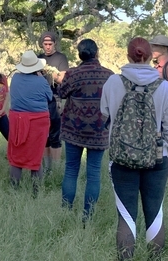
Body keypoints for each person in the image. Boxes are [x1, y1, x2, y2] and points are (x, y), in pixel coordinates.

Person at [100, 37, 168, 260]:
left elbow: (106, 112)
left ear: (128, 56)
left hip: (121, 159)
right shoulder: (163, 87)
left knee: (126, 215)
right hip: (157, 158)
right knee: (155, 213)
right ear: (149, 57)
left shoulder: (112, 83)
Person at [58, 39, 114, 219]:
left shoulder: (73, 74)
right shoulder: (109, 75)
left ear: (79, 54)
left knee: (71, 170)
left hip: (74, 129)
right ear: (97, 53)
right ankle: (87, 216)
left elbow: (61, 93)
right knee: (94, 173)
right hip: (99, 130)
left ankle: (66, 211)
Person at [7, 50, 53, 195]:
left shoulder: (15, 78)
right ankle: (36, 192)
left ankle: (14, 190)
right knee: (36, 156)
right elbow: (50, 97)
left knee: (17, 156)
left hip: (18, 120)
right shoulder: (41, 80)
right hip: (38, 121)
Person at [37, 31, 69, 172]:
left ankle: (55, 168)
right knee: (43, 134)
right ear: (42, 44)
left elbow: (62, 78)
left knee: (55, 133)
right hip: (39, 99)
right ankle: (46, 166)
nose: (48, 47)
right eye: (45, 44)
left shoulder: (61, 58)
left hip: (55, 97)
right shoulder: (38, 58)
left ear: (55, 43)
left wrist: (49, 71)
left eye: (50, 44)